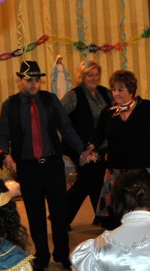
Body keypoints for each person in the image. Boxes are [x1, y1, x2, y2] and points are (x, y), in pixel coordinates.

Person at [0, 60, 85, 271]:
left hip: (52, 165)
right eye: (29, 80)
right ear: (19, 80)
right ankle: (42, 257)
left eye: (36, 80)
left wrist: (82, 149)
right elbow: (2, 135)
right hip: (28, 168)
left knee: (60, 212)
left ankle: (62, 254)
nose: (33, 84)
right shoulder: (10, 105)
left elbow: (66, 127)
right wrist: (6, 155)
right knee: (35, 215)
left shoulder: (50, 100)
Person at [94, 69, 150, 230]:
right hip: (117, 168)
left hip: (143, 167)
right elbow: (97, 137)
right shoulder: (108, 112)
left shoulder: (147, 109)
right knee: (117, 212)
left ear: (131, 90)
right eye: (113, 89)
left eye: (120, 89)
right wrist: (90, 149)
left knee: (142, 211)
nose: (116, 93)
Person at [60, 60, 112, 226]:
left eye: (96, 74)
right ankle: (105, 219)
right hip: (79, 147)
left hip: (101, 146)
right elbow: (59, 117)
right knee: (95, 177)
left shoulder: (105, 92)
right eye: (90, 75)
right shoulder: (73, 95)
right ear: (82, 77)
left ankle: (60, 218)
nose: (94, 78)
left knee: (85, 182)